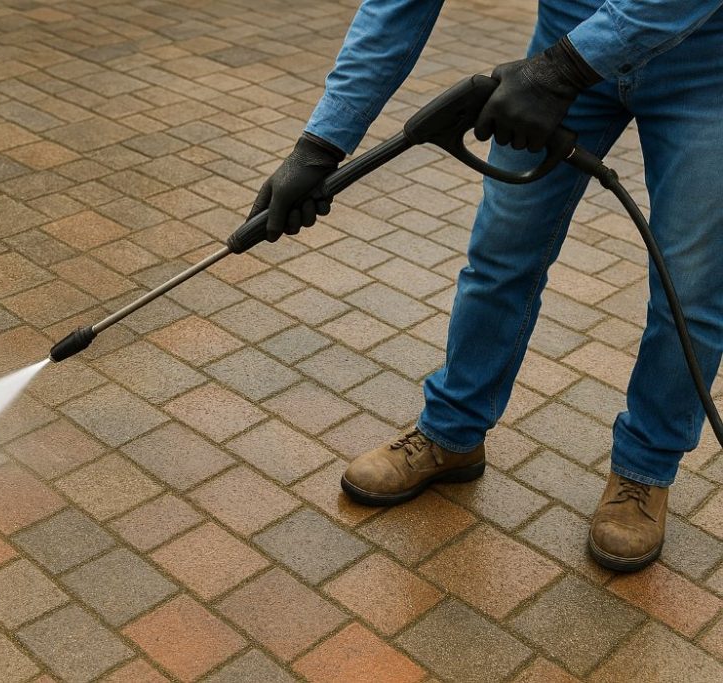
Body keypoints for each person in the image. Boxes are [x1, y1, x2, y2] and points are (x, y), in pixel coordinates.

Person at [249, 0, 723, 572]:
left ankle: (644, 473)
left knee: (690, 290)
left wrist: (561, 71)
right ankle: (452, 432)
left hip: (704, 62)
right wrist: (321, 144)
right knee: (500, 255)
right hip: (567, 35)